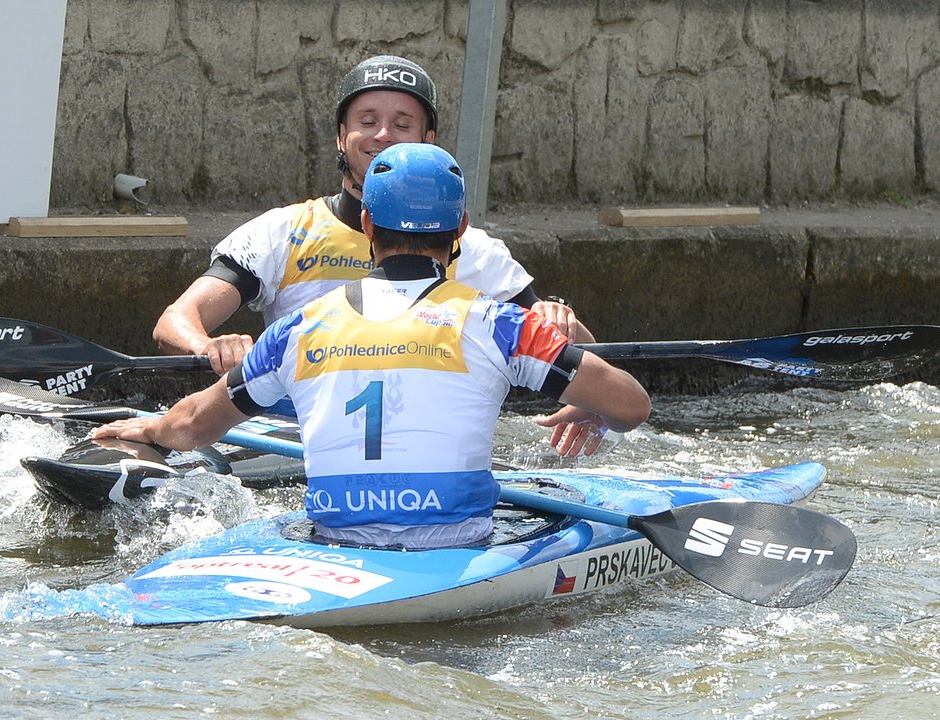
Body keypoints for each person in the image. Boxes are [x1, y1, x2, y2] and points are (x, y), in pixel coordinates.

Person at [95, 144, 650, 550]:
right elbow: (632, 404)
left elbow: (193, 426)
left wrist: (149, 430)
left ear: (365, 223)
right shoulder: (499, 323)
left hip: (333, 541)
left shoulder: (296, 330)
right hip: (459, 543)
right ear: (461, 228)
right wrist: (594, 411)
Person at [153, 55, 592, 377]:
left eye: (402, 124)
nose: (383, 136)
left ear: (428, 140)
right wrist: (211, 346)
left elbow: (586, 354)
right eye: (367, 121)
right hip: (290, 437)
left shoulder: (473, 249)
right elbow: (175, 322)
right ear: (341, 137)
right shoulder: (282, 232)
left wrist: (561, 320)